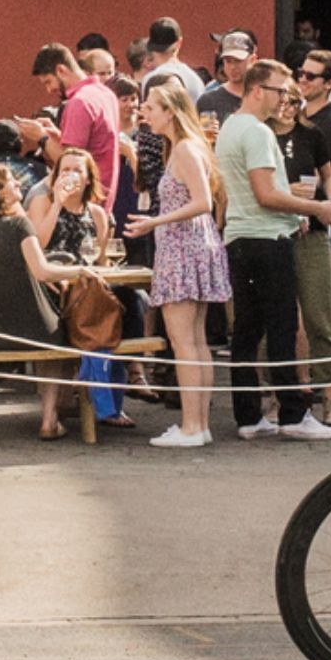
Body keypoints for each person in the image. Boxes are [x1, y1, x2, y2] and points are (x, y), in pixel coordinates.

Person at [216, 58, 331, 442]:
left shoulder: (230, 128)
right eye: (280, 91)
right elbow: (267, 194)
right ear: (258, 90)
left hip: (242, 235)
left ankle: (249, 415)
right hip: (266, 238)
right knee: (281, 327)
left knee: (248, 329)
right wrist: (315, 207)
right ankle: (292, 413)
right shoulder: (256, 132)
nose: (285, 98)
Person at [0, 164, 95, 439]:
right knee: (60, 335)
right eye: (11, 182)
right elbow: (42, 271)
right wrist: (79, 271)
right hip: (36, 331)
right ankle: (49, 419)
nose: (19, 185)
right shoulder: (20, 225)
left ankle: (53, 416)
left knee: (50, 333)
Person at [126, 80, 228, 447]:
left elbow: (203, 201)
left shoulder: (184, 148)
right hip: (192, 245)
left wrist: (155, 221)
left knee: (185, 341)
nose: (145, 113)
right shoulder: (187, 146)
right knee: (195, 342)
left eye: (151, 107)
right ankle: (197, 424)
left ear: (170, 111)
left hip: (183, 247)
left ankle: (192, 425)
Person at [286, 49, 331, 427]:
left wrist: (321, 199)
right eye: (300, 74)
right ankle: (301, 387)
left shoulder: (328, 123)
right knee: (292, 315)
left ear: (329, 83)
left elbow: (321, 173)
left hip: (316, 223)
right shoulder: (279, 126)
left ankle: (328, 394)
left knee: (318, 312)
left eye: (311, 76)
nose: (302, 81)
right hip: (285, 220)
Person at [35, 43, 124, 207]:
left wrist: (41, 138)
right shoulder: (106, 94)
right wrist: (57, 135)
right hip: (104, 200)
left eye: (48, 82)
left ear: (61, 70)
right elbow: (94, 144)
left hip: (84, 205)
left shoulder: (79, 102)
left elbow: (71, 164)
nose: (49, 90)